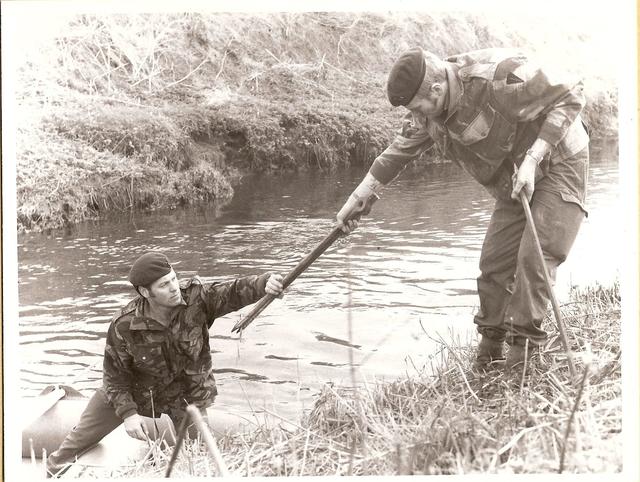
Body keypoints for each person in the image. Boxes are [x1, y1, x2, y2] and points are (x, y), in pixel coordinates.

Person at [337, 47, 589, 372]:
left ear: (437, 90)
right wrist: (361, 196)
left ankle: (522, 361)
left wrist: (533, 158)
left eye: (418, 108)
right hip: (511, 175)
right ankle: (489, 353)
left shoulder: (499, 77)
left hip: (558, 161)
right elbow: (399, 150)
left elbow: (571, 92)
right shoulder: (428, 111)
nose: (417, 117)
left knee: (535, 257)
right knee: (494, 264)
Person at [46, 251, 284, 476]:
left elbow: (233, 291)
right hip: (134, 393)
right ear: (145, 292)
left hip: (185, 396)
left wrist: (264, 283)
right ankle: (51, 471)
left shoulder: (196, 298)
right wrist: (128, 415)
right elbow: (114, 378)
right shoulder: (124, 325)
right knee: (73, 445)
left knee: (204, 454)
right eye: (164, 285)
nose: (174, 288)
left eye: (173, 279)